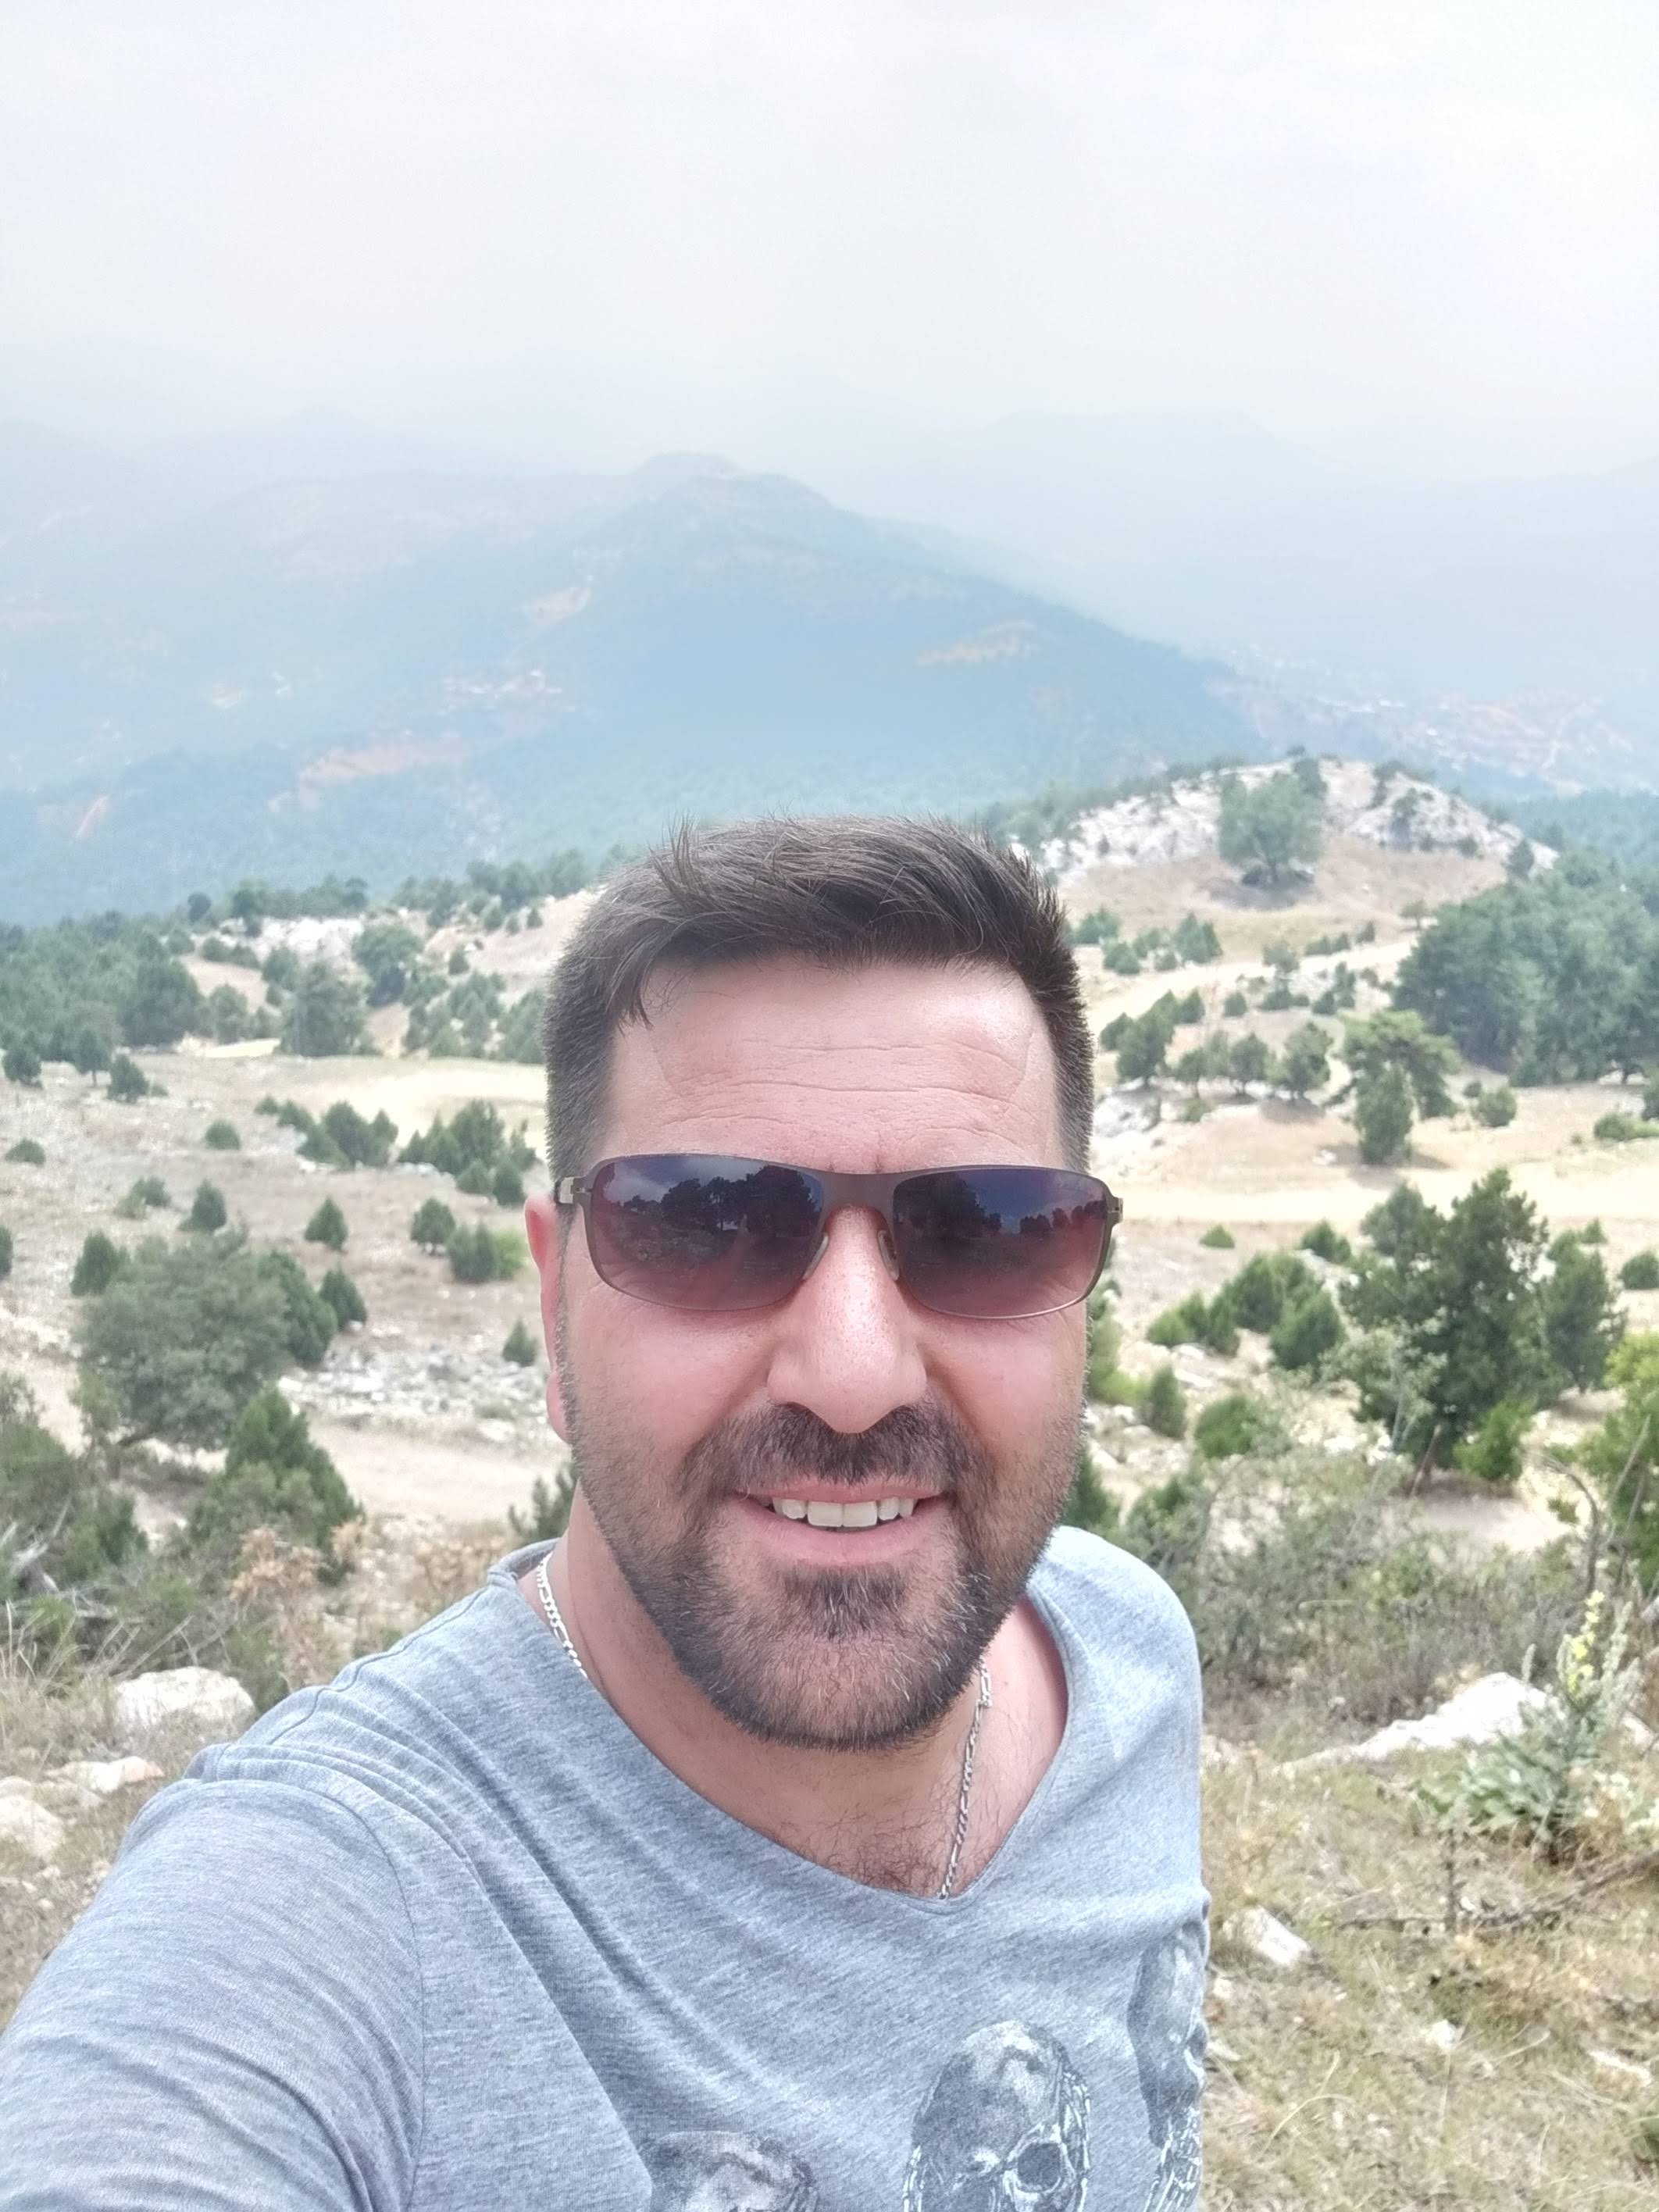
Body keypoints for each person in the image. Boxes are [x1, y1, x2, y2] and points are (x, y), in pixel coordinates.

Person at [0, 818, 1206, 2211]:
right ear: (553, 1303)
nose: (854, 1373)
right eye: (706, 1222)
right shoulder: (323, 1905)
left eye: (984, 1231)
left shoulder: (1125, 1657)